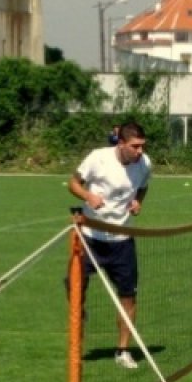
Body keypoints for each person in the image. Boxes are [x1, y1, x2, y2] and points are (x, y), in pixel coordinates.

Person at [68, 122, 152, 369]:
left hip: (122, 241)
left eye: (142, 146)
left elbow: (143, 187)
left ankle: (122, 350)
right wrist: (88, 196)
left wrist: (137, 202)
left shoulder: (144, 164)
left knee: (128, 297)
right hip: (90, 237)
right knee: (74, 291)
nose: (139, 151)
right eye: (135, 146)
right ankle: (77, 340)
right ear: (121, 143)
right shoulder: (98, 158)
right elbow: (73, 183)